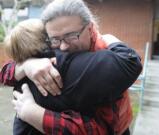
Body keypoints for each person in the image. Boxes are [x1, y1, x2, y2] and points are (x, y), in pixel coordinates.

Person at [0, 0, 142, 134]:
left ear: (90, 28)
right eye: (55, 39)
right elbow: (4, 73)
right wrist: (25, 66)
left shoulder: (104, 59)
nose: (63, 46)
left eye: (72, 35)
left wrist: (35, 114)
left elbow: (103, 130)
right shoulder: (48, 56)